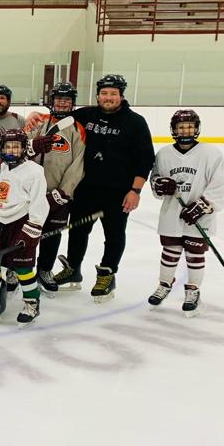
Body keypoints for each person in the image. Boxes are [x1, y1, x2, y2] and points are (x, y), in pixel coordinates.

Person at [42, 74, 155, 301]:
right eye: (104, 93)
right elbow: (57, 117)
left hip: (118, 193)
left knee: (113, 235)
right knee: (77, 231)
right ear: (97, 95)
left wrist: (135, 191)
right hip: (86, 190)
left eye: (113, 94)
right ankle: (73, 268)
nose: (108, 97)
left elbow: (146, 159)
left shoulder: (135, 122)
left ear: (121, 96)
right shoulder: (85, 115)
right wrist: (36, 115)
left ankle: (107, 273)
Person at [147, 110, 224, 316]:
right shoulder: (164, 154)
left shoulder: (211, 153)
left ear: (197, 128)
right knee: (170, 251)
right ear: (174, 130)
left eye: (190, 126)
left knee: (195, 254)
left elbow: (218, 186)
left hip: (201, 216)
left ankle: (193, 290)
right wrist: (159, 185)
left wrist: (203, 205)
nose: (186, 130)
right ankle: (164, 285)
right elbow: (155, 179)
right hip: (172, 213)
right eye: (181, 127)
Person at [0, 129, 48, 326]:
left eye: (16, 146)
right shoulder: (2, 168)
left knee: (23, 267)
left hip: (22, 222)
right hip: (1, 222)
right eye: (7, 146)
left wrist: (32, 229)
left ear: (23, 149)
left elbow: (40, 203)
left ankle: (32, 303)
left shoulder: (34, 172)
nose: (11, 150)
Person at [26, 82, 86, 294]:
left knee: (52, 234)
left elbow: (78, 163)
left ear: (72, 103)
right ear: (51, 101)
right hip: (32, 194)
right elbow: (22, 147)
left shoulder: (77, 129)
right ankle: (22, 269)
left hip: (58, 195)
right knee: (27, 233)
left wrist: (64, 192)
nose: (62, 103)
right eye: (58, 99)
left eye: (66, 99)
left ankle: (45, 270)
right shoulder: (39, 122)